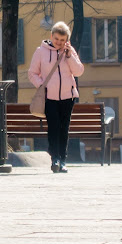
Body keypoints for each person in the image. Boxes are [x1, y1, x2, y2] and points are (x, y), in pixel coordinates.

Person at [28, 21, 85, 173]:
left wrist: (69, 56)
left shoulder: (70, 51)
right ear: (51, 36)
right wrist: (43, 86)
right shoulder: (41, 51)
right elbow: (32, 73)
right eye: (56, 39)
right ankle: (55, 159)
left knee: (64, 128)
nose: (59, 42)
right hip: (49, 97)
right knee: (53, 128)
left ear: (67, 39)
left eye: (62, 40)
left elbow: (79, 71)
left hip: (68, 96)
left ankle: (63, 160)